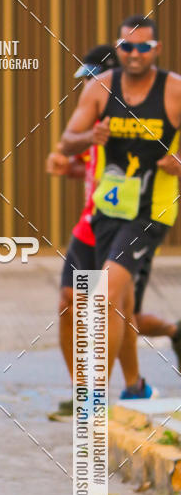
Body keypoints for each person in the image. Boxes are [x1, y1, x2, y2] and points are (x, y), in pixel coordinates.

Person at [47, 44, 181, 419]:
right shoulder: (96, 118)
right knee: (73, 302)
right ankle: (98, 391)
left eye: (93, 80)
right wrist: (67, 161)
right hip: (93, 221)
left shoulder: (152, 115)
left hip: (139, 221)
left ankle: (101, 397)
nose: (86, 89)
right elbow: (71, 155)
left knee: (115, 306)